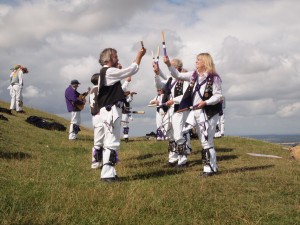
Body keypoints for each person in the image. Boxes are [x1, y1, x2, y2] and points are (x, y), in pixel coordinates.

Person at [163, 53, 223, 176]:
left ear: (205, 62)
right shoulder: (193, 75)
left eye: (198, 60)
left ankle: (209, 169)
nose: (195, 62)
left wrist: (206, 102)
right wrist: (168, 64)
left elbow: (218, 95)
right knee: (203, 140)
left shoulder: (214, 77)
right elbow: (177, 74)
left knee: (207, 140)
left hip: (208, 112)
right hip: (196, 111)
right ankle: (212, 167)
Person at [96, 46, 146, 182]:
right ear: (108, 58)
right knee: (112, 142)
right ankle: (107, 175)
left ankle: (109, 172)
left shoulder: (106, 72)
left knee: (110, 141)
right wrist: (139, 56)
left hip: (109, 110)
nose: (117, 58)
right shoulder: (108, 71)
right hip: (111, 110)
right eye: (115, 56)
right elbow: (132, 70)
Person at [153, 58, 191, 167]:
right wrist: (156, 74)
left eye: (172, 66)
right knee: (171, 135)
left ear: (178, 68)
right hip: (170, 110)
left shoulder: (185, 79)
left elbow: (186, 95)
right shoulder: (170, 79)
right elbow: (159, 85)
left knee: (178, 135)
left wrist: (173, 100)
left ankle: (183, 160)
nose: (170, 69)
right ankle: (172, 159)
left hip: (180, 108)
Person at [89, 73, 103, 169]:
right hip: (99, 116)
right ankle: (95, 162)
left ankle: (99, 160)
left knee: (99, 141)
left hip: (95, 117)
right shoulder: (98, 89)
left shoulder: (92, 90)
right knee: (98, 142)